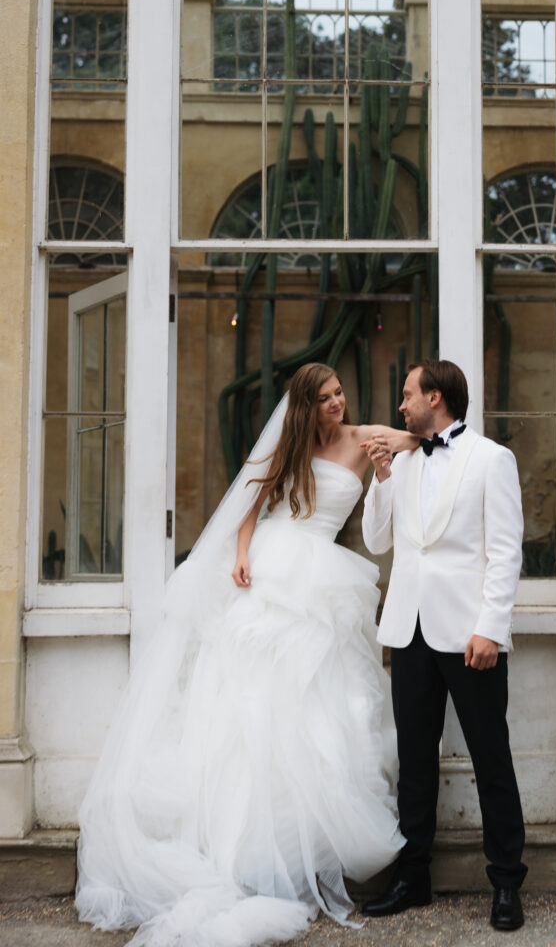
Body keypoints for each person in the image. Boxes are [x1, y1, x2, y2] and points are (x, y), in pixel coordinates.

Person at [76, 362, 416, 947]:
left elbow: (420, 439)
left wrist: (398, 448)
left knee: (325, 703)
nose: (338, 403)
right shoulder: (286, 448)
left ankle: (308, 841)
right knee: (252, 704)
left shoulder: (364, 439)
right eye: (328, 397)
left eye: (341, 393)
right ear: (306, 406)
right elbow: (251, 503)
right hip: (270, 569)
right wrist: (240, 554)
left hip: (322, 578)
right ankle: (247, 846)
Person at [360, 359, 527, 932]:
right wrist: (381, 477)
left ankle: (506, 881)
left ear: (435, 398)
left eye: (407, 395)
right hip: (408, 629)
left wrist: (491, 628)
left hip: (468, 636)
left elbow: (505, 553)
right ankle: (413, 876)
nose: (400, 405)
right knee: (414, 761)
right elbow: (378, 540)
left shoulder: (491, 460)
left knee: (490, 756)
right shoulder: (402, 461)